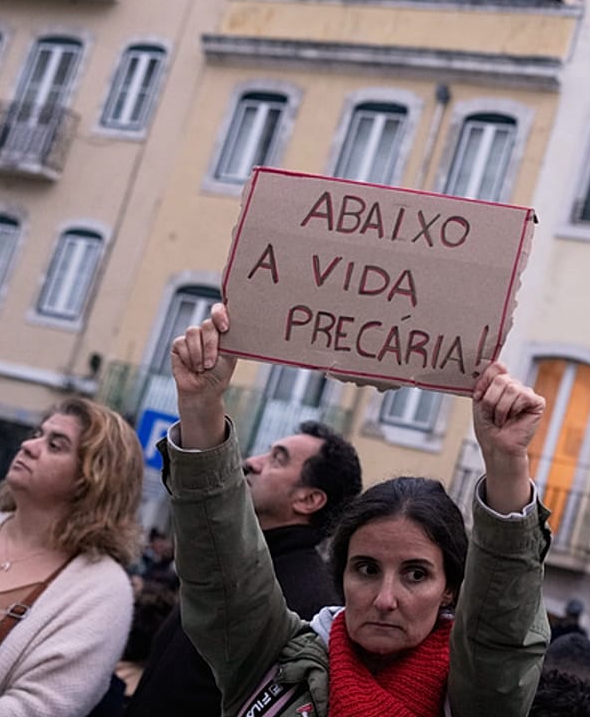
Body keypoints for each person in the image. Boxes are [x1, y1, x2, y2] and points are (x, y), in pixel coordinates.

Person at [165, 302, 551, 715]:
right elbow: (221, 568)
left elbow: (501, 630)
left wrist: (506, 461)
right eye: (366, 569)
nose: (385, 599)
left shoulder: (474, 699)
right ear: (341, 574)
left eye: (416, 574)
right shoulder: (275, 661)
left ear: (450, 590)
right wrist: (201, 405)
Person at [125, 419, 361, 717]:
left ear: (308, 499)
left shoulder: (308, 603)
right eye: (266, 452)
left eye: (277, 460)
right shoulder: (226, 557)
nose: (251, 463)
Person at [0, 398, 143, 714]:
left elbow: (40, 706)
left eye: (55, 445)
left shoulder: (101, 590)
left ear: (92, 478)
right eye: (37, 434)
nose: (28, 446)